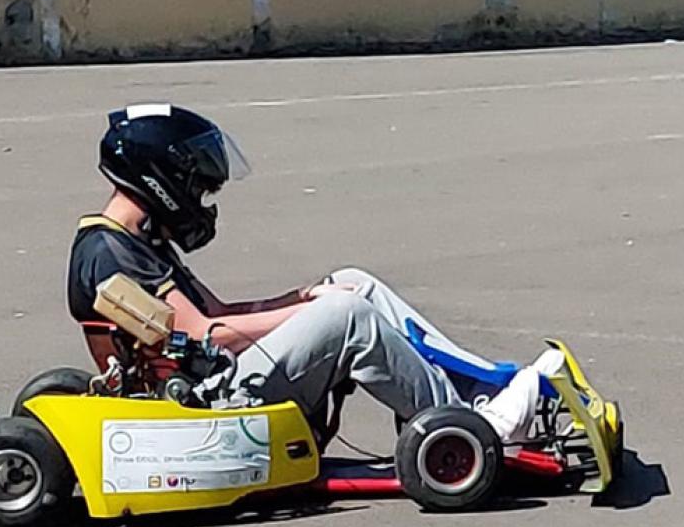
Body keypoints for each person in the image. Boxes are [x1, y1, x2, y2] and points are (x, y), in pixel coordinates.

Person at [66, 103, 559, 442]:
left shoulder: (134, 241)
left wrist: (302, 298)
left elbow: (217, 313)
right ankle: (478, 428)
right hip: (208, 399)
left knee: (354, 282)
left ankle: (477, 391)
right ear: (162, 179)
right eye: (197, 187)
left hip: (217, 375)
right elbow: (206, 336)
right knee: (346, 314)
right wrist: (317, 311)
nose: (201, 199)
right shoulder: (111, 254)